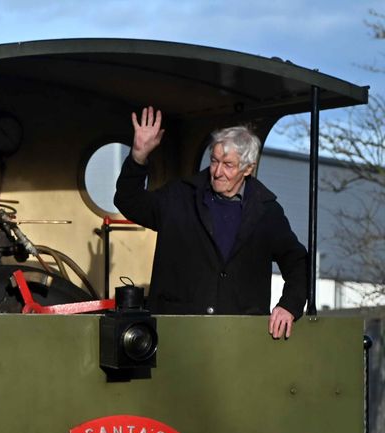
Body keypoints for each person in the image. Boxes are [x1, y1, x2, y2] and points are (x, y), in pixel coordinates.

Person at [114, 107, 308, 339]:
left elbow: (298, 262)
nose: (217, 172)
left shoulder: (266, 212)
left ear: (248, 168)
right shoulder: (179, 197)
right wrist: (138, 156)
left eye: (228, 165)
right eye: (214, 161)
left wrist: (289, 305)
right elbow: (128, 200)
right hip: (177, 337)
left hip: (239, 340)